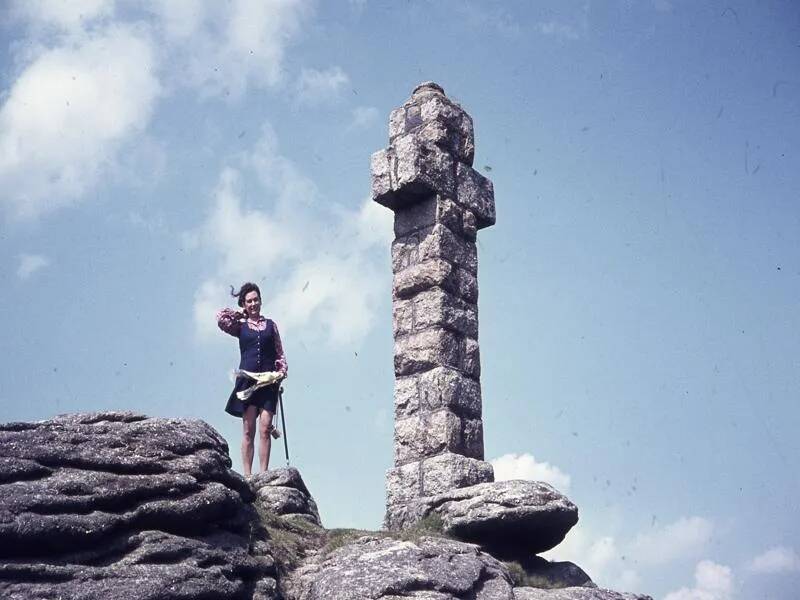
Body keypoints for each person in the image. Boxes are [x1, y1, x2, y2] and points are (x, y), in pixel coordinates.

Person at [217, 282, 287, 475]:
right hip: (247, 382)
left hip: (268, 382)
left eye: (256, 300)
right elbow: (221, 318)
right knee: (248, 431)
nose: (254, 303)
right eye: (249, 301)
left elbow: (280, 353)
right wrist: (240, 314)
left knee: (265, 428)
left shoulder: (271, 326)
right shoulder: (240, 327)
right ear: (244, 304)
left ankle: (263, 474)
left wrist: (281, 371)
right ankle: (248, 476)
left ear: (261, 301)